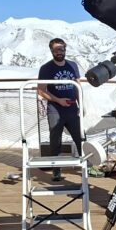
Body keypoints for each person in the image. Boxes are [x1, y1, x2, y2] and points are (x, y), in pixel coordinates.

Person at [37, 38, 83, 181]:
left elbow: (77, 86)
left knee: (80, 137)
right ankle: (56, 170)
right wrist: (58, 100)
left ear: (65, 49)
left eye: (61, 49)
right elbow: (41, 91)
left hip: (72, 108)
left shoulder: (72, 65)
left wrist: (81, 104)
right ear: (51, 51)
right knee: (55, 139)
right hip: (55, 109)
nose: (59, 52)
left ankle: (86, 165)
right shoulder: (46, 68)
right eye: (56, 49)